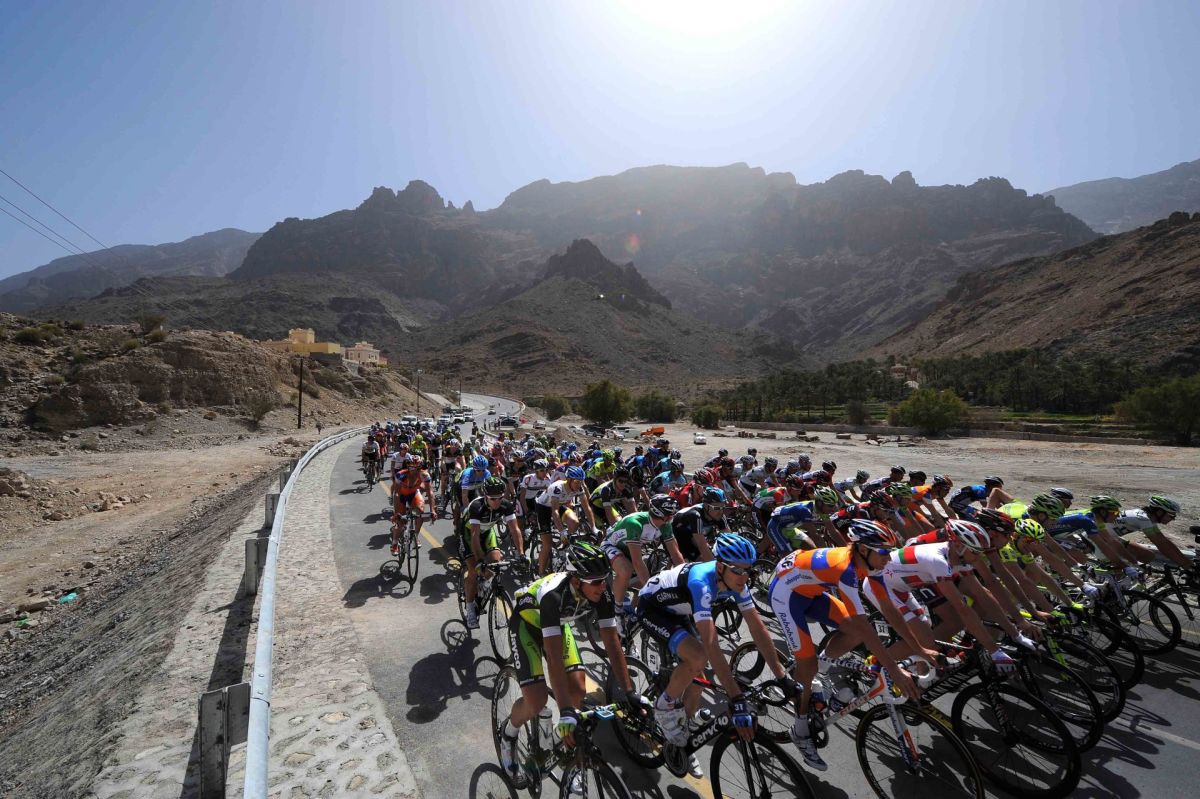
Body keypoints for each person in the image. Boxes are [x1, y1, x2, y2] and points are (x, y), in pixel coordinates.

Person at [636, 534, 793, 775]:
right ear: (720, 567)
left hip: (679, 610)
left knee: (699, 680)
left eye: (748, 571)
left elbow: (757, 628)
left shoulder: (736, 582)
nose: (745, 577)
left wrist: (782, 677)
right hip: (653, 608)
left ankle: (680, 738)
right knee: (699, 657)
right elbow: (711, 645)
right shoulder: (701, 583)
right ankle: (664, 706)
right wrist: (736, 697)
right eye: (738, 571)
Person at [767, 520, 918, 771]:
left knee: (854, 633)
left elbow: (888, 608)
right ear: (863, 549)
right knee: (808, 666)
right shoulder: (845, 569)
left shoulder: (870, 564)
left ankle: (821, 672)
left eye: (891, 551)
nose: (889, 558)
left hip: (809, 591)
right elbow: (865, 626)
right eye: (884, 552)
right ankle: (800, 729)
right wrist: (894, 669)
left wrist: (920, 648)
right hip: (786, 595)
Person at [498, 542, 644, 786]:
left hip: (558, 625)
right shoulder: (553, 597)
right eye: (596, 582)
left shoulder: (601, 592)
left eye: (605, 579)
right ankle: (508, 732)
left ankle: (561, 743)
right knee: (536, 701)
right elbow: (554, 658)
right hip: (526, 626)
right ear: (576, 581)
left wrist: (629, 692)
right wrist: (565, 709)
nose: (603, 586)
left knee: (578, 689)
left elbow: (612, 642)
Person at [600, 495, 683, 613]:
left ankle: (636, 613)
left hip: (628, 550)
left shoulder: (665, 524)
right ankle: (617, 609)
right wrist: (651, 590)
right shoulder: (635, 523)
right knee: (626, 570)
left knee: (650, 580)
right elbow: (637, 562)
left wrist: (686, 577)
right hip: (610, 545)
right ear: (660, 514)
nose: (672, 518)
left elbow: (675, 554)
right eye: (671, 515)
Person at [461, 477, 524, 629]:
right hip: (469, 534)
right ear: (485, 496)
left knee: (496, 562)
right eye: (493, 499)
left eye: (500, 498)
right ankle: (470, 608)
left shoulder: (506, 505)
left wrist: (521, 554)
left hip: (488, 532)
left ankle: (483, 584)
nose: (497, 502)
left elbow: (515, 530)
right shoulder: (476, 506)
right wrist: (480, 560)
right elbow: (475, 535)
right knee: (474, 570)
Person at [1113, 496, 1192, 569]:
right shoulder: (1143, 519)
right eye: (1171, 515)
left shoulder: (1148, 518)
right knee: (1146, 556)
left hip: (1111, 537)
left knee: (1148, 556)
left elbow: (1164, 540)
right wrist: (1185, 564)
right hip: (1106, 539)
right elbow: (1160, 545)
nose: (1173, 519)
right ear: (1160, 512)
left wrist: (1186, 561)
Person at [390, 457, 432, 555]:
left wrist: (432, 510)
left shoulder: (424, 475)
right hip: (401, 496)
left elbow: (430, 493)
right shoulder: (401, 474)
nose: (414, 470)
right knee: (400, 522)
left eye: (417, 468)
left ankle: (415, 536)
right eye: (412, 468)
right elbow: (396, 494)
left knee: (420, 513)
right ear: (408, 467)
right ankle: (394, 543)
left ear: (420, 467)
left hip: (414, 494)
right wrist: (396, 513)